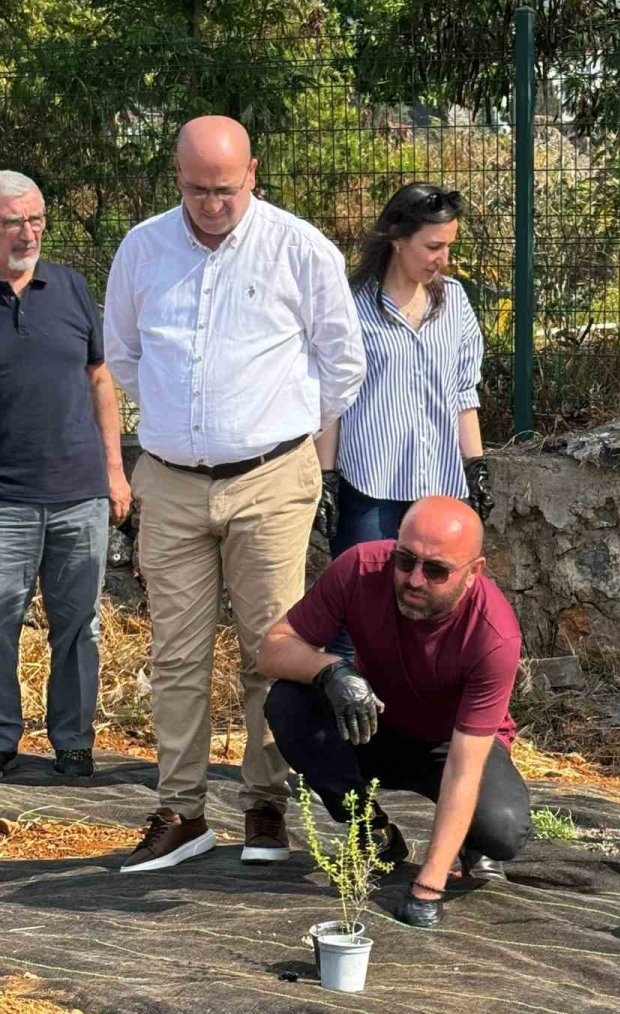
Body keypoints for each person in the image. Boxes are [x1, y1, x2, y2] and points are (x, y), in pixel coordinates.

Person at [103, 116, 366, 873]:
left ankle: (264, 806)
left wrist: (280, 433)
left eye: (224, 189)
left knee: (270, 648)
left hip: (271, 478)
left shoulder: (299, 248)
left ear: (253, 171)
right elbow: (123, 351)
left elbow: (340, 363)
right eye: (195, 189)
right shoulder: (144, 248)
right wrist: (183, 426)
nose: (211, 204)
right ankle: (183, 812)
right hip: (173, 481)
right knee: (175, 652)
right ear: (175, 177)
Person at [259, 495, 532, 928]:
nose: (415, 579)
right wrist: (331, 670)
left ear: (473, 572)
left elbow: (463, 770)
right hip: (374, 723)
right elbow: (272, 649)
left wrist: (428, 888)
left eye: (437, 570)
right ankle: (372, 831)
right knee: (287, 703)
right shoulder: (360, 567)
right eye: (405, 560)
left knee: (502, 830)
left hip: (450, 744)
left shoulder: (493, 636)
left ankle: (470, 844)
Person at [313, 182, 494, 656]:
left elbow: (462, 392)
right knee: (360, 613)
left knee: (435, 616)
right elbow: (334, 397)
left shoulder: (454, 303)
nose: (443, 258)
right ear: (397, 238)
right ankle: (347, 720)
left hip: (438, 487)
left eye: (449, 246)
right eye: (433, 246)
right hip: (369, 489)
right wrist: (326, 477)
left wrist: (475, 466)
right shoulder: (350, 307)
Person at [0, 170, 130, 780]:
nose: (29, 233)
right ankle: (3, 738)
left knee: (79, 626)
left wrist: (114, 471)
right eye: (13, 223)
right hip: (6, 499)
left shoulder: (73, 288)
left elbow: (99, 378)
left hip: (80, 493)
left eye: (37, 220)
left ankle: (73, 741)